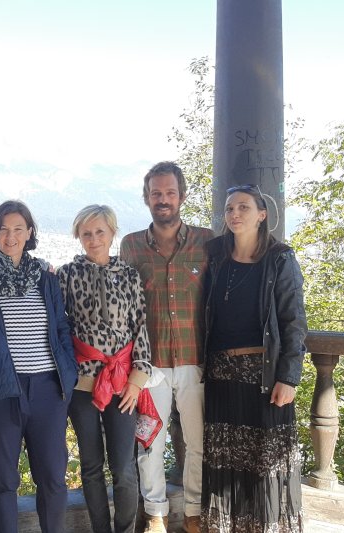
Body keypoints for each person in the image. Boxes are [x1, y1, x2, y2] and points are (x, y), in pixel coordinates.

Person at [0, 200, 77, 533]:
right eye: (3, 229)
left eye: (18, 229)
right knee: (3, 480)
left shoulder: (45, 275)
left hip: (48, 390)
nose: (10, 237)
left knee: (53, 477)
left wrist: (68, 374)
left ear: (29, 233)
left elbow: (61, 327)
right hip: (0, 392)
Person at [201, 184, 306, 532]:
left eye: (243, 207)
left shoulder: (280, 259)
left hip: (263, 376)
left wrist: (289, 377)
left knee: (265, 465)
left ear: (262, 215)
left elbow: (293, 321)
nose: (234, 214)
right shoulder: (215, 255)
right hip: (220, 375)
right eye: (229, 208)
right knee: (226, 465)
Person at [119, 161, 214, 533]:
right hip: (149, 366)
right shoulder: (130, 246)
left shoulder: (206, 242)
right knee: (149, 442)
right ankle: (155, 513)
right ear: (146, 198)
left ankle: (194, 511)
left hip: (195, 361)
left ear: (182, 196)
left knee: (198, 443)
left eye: (170, 192)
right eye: (156, 193)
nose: (163, 199)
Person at [57, 204, 151, 533]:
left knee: (124, 467)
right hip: (82, 386)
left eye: (100, 232)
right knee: (91, 466)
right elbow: (58, 328)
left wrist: (137, 380)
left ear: (112, 233)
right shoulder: (67, 276)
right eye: (87, 233)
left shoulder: (129, 276)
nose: (94, 239)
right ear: (78, 236)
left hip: (122, 385)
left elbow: (140, 328)